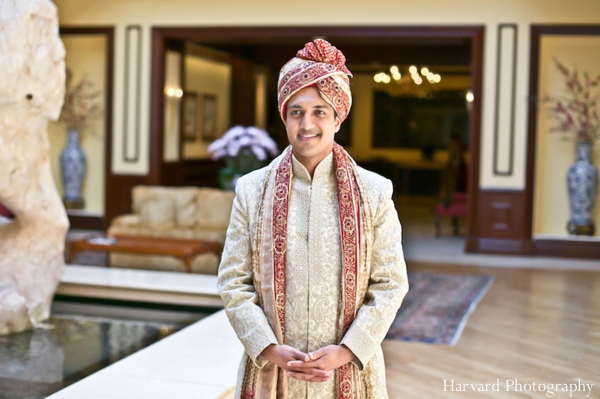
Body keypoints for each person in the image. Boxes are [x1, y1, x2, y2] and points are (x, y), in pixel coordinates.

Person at [217, 38, 409, 399]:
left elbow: (390, 284)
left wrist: (347, 352)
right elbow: (233, 283)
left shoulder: (375, 191)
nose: (307, 124)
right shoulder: (252, 190)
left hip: (348, 373)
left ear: (338, 117)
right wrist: (269, 349)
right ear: (284, 116)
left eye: (320, 111)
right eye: (297, 111)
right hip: (272, 372)